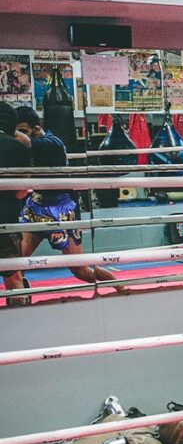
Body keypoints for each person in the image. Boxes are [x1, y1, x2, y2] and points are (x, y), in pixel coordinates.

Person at [14, 107, 121, 289]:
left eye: (23, 130)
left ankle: (120, 287)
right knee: (16, 263)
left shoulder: (52, 142)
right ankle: (21, 294)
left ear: (37, 128)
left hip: (61, 209)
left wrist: (7, 129)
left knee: (80, 270)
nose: (19, 135)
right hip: (36, 205)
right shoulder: (23, 146)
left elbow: (26, 141)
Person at [0, 102, 32, 306]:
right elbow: (22, 192)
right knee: (13, 278)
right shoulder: (19, 148)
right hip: (5, 220)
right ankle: (22, 322)